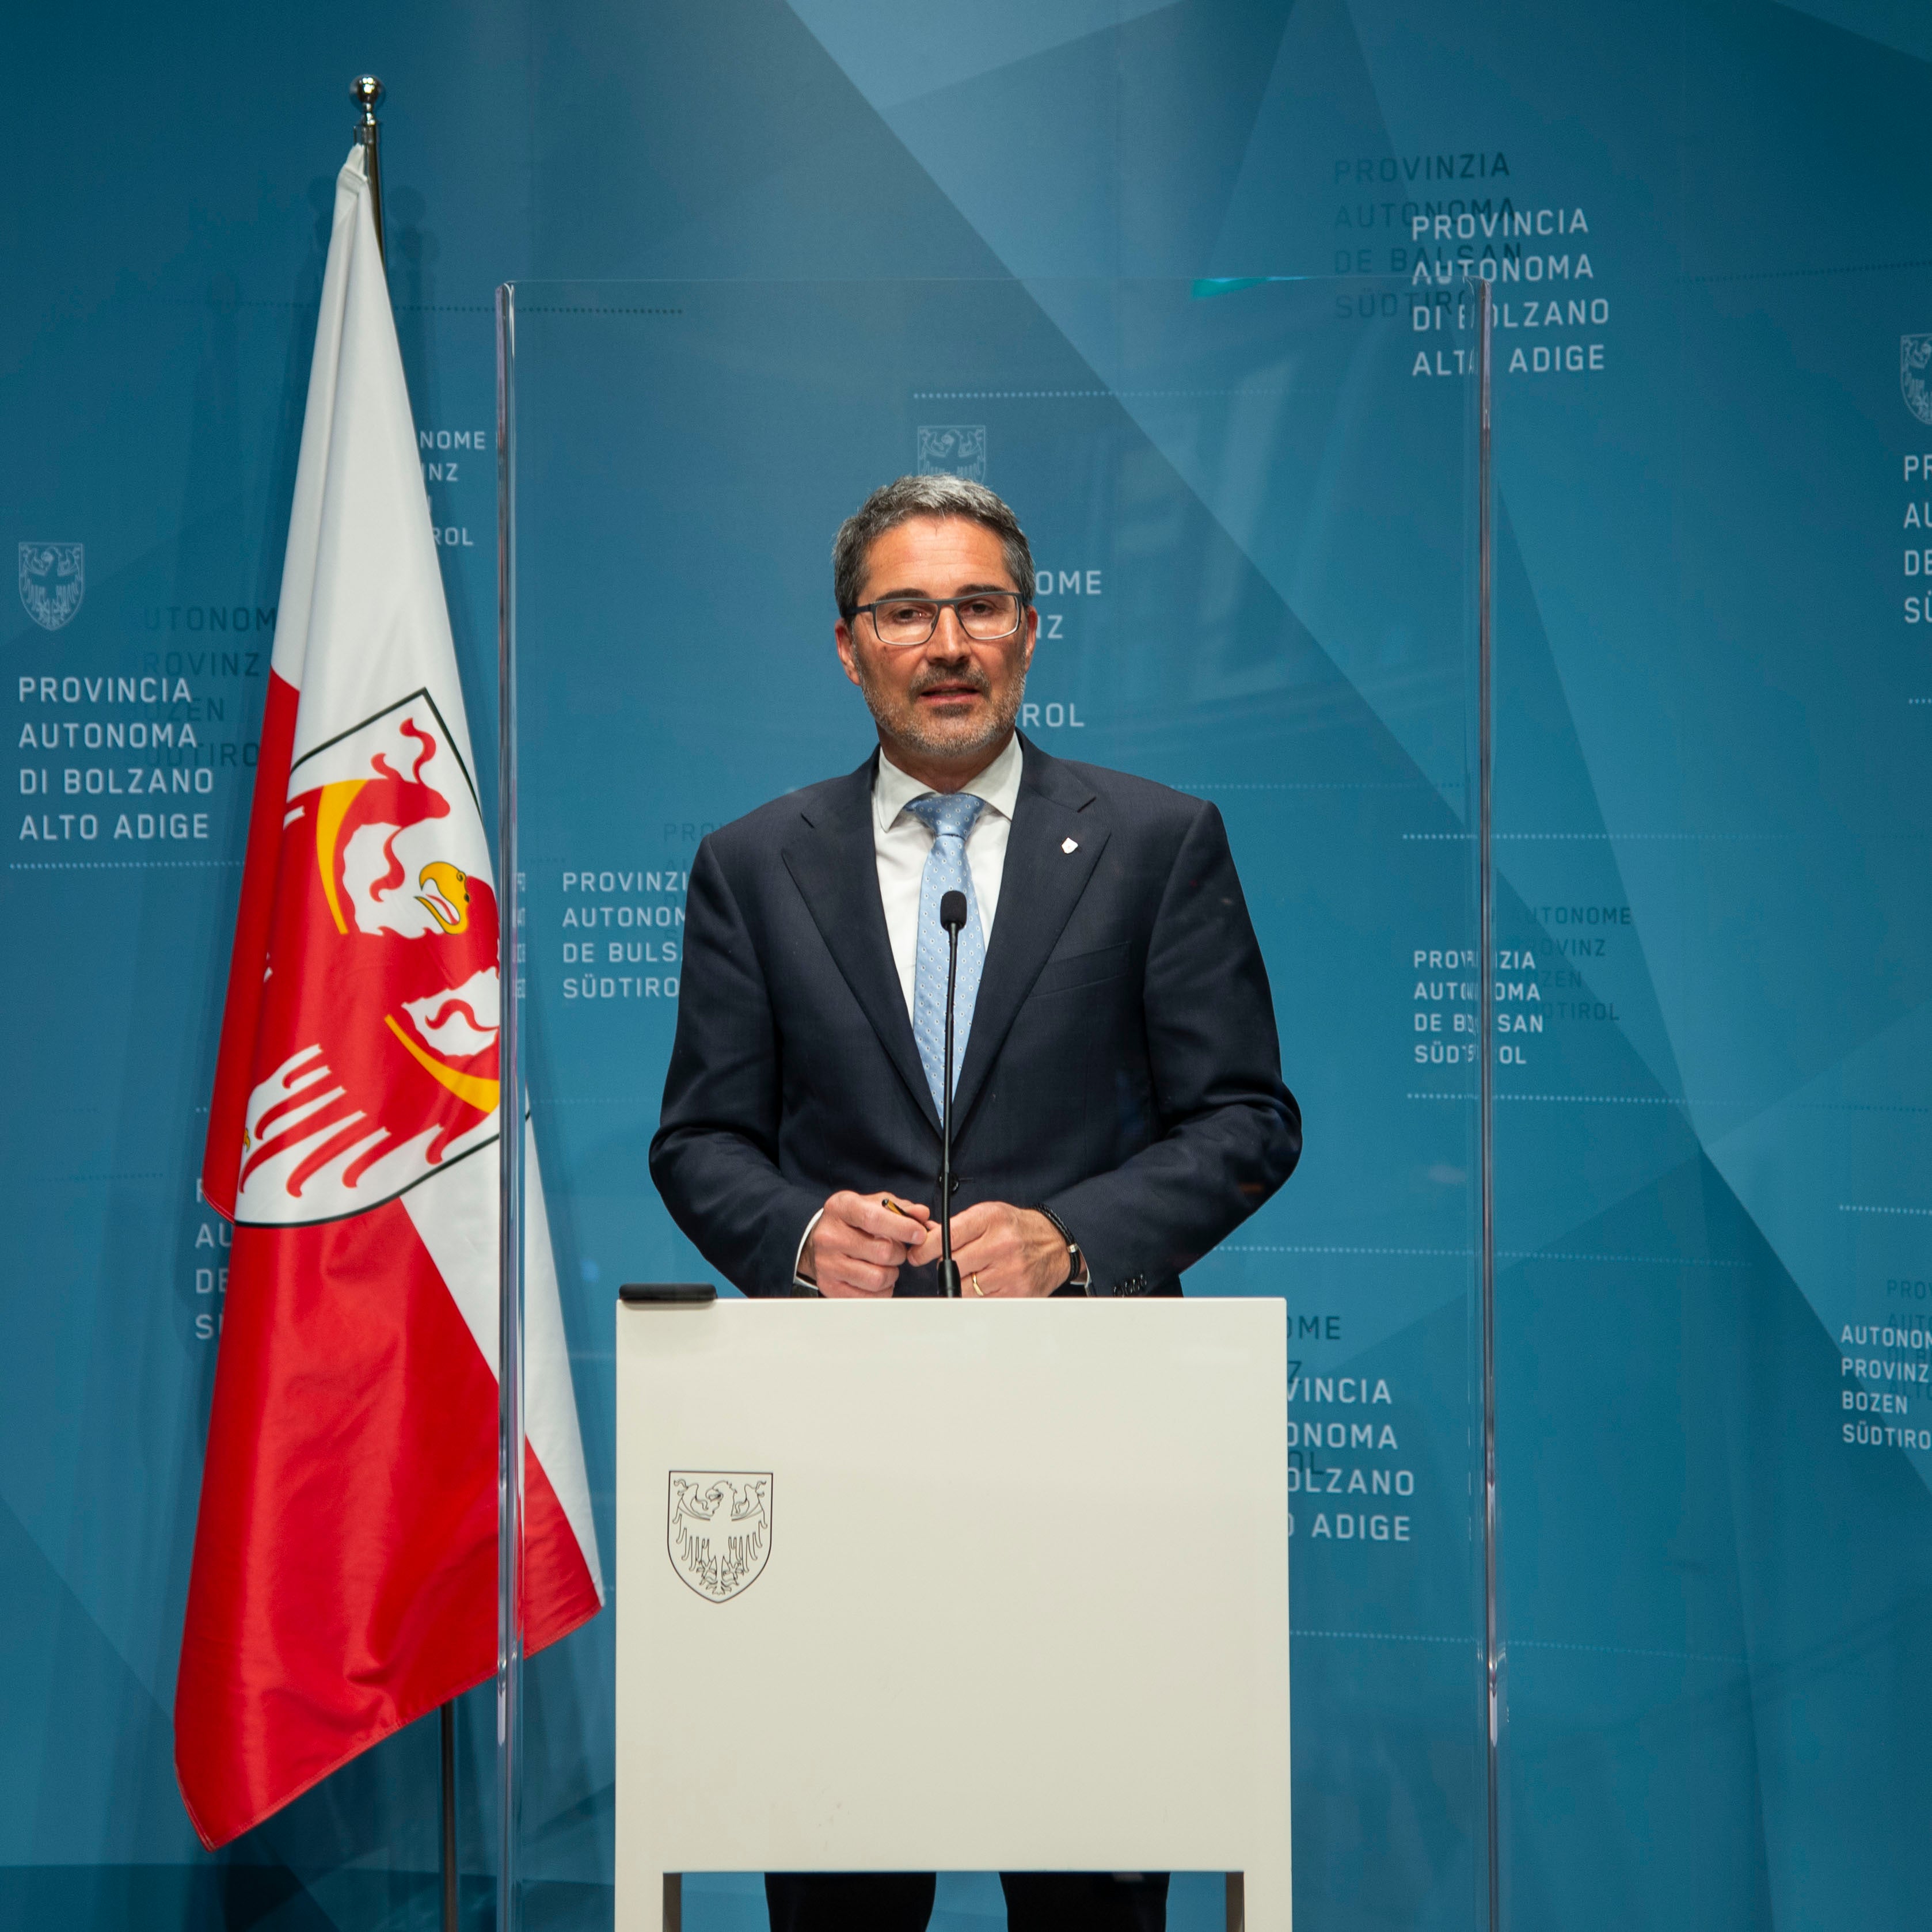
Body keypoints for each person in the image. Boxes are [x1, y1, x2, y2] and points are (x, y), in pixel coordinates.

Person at [649, 474, 1300, 1931]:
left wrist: (1077, 1238)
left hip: (1095, 1462)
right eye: (905, 611)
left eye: (978, 607)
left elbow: (1248, 1119)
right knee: (842, 1891)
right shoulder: (753, 867)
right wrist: (803, 1235)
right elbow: (700, 1143)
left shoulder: (1154, 841)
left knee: (1090, 1892)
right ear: (847, 646)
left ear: (1028, 632)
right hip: (841, 1471)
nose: (945, 642)